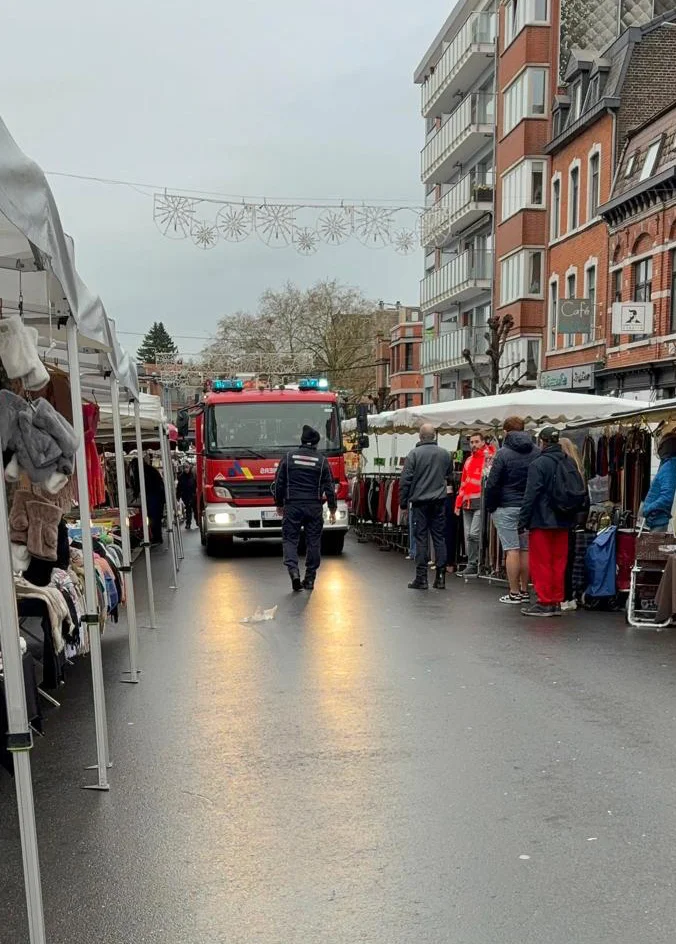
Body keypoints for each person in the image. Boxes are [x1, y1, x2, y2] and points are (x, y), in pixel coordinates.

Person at [518, 427, 588, 617]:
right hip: (564, 519)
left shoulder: (539, 463)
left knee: (541, 562)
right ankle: (556, 600)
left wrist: (522, 520)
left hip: (542, 519)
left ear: (542, 442)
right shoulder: (569, 461)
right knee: (559, 561)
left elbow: (530, 494)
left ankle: (545, 601)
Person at [273, 425, 337, 591]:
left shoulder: (288, 458)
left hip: (293, 505)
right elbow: (329, 487)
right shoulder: (322, 461)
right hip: (314, 506)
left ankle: (294, 572)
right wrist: (332, 508)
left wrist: (279, 503)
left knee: (290, 540)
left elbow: (279, 483)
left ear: (302, 441)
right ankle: (310, 578)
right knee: (313, 542)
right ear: (316, 443)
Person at [484, 417, 537, 605]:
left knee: (511, 550)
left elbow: (492, 484)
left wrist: (490, 506)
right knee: (525, 549)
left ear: (506, 432)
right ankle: (524, 590)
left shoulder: (503, 453)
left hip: (506, 506)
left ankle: (513, 592)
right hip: (528, 507)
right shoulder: (536, 452)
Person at [399, 423, 452, 590]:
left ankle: (421, 578)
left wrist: (403, 502)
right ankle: (441, 576)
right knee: (439, 538)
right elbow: (449, 474)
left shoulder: (413, 454)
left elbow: (405, 480)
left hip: (420, 502)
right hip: (439, 501)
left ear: (420, 437)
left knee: (421, 538)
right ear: (434, 436)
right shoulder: (445, 454)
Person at [455, 431, 496, 577]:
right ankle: (472, 563)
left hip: (481, 502)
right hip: (468, 502)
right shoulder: (468, 460)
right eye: (472, 442)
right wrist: (458, 503)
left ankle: (474, 563)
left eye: (476, 442)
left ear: (483, 442)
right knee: (469, 535)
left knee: (473, 534)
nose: (473, 445)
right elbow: (463, 484)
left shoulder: (489, 458)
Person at [560, 437, 585, 611]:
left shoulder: (564, 469)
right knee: (570, 560)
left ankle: (564, 596)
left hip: (565, 520)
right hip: (575, 521)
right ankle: (569, 596)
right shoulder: (578, 470)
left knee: (561, 560)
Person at [642, 431, 676, 531]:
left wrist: (649, 509)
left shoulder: (670, 466)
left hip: (661, 521)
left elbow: (668, 496)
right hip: (660, 519)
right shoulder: (669, 464)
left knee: (654, 546)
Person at [132, 455, 166, 545]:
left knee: (153, 517)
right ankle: (157, 537)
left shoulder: (142, 471)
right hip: (157, 496)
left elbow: (140, 484)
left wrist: (136, 493)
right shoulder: (150, 469)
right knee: (156, 517)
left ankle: (157, 538)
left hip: (153, 496)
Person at [176, 461, 197, 530]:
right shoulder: (181, 477)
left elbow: (197, 485)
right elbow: (179, 487)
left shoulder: (193, 475)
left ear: (189, 467)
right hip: (186, 496)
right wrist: (178, 497)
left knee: (195, 510)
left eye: (187, 467)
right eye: (184, 468)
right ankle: (188, 523)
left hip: (194, 495)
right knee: (188, 510)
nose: (186, 469)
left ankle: (198, 522)